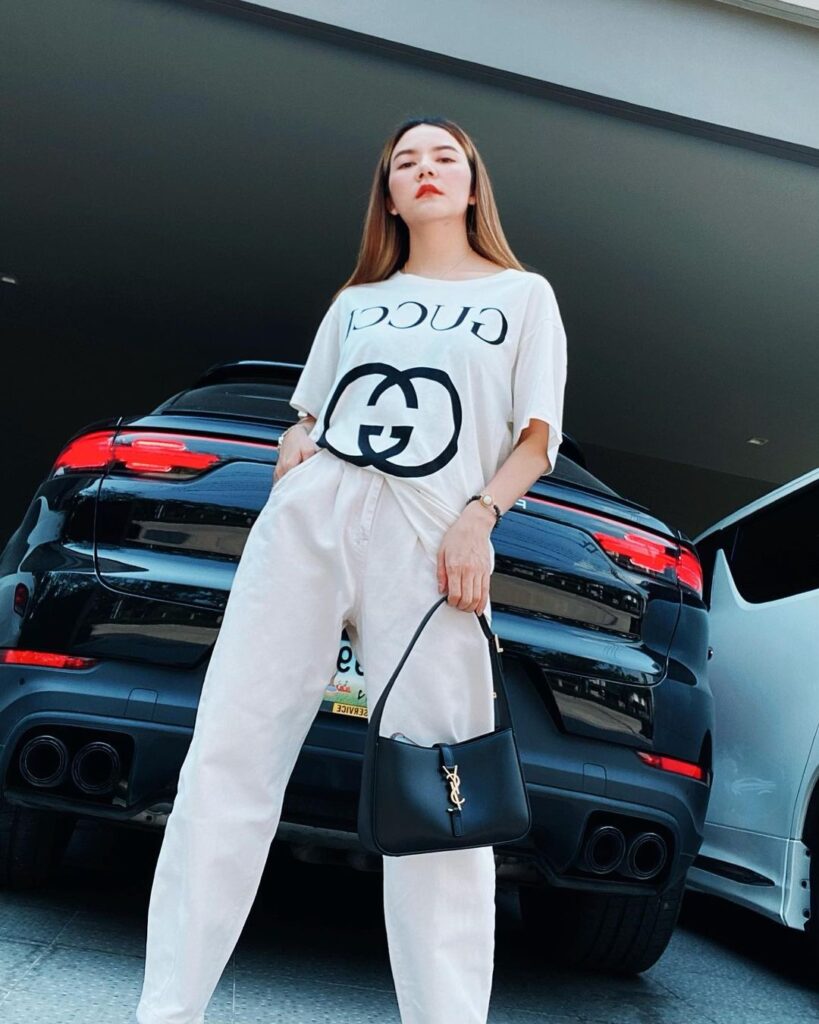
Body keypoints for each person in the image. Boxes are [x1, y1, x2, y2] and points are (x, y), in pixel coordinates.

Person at [135, 115, 568, 1024]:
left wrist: (480, 518)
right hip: (313, 520)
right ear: (390, 195)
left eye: (443, 157)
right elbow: (313, 411)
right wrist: (295, 440)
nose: (424, 170)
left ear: (472, 185)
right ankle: (166, 1012)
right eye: (405, 162)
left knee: (442, 793)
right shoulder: (359, 300)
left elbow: (535, 440)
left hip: (434, 537)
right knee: (227, 759)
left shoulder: (523, 296)